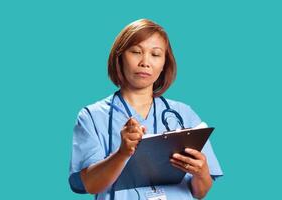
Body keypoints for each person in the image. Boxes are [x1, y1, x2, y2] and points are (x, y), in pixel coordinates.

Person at [69, 19, 223, 200]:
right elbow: (86, 185)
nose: (145, 62)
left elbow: (200, 192)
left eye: (155, 54)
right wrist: (122, 153)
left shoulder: (184, 113)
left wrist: (201, 172)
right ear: (119, 57)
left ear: (165, 63)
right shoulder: (92, 117)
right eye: (136, 52)